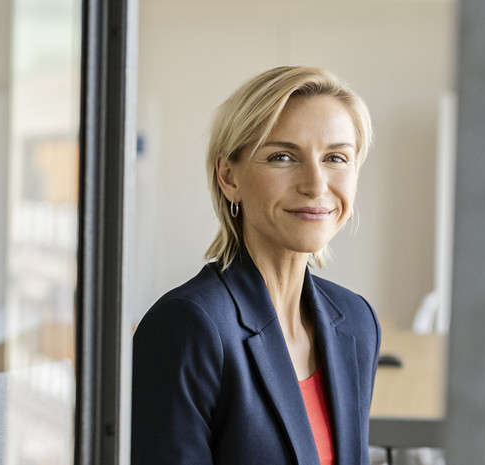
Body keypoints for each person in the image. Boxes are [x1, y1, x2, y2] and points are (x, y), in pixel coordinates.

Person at [131, 66, 381, 465]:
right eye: (282, 156)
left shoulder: (356, 320)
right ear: (229, 176)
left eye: (336, 157)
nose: (316, 184)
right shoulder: (187, 327)